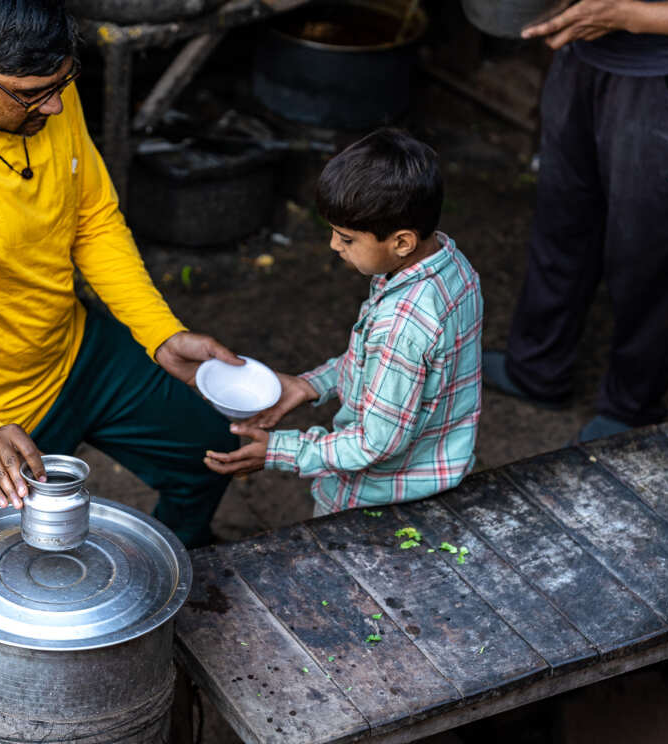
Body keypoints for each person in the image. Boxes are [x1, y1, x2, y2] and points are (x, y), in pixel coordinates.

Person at [0, 0, 240, 558]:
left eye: (64, 83)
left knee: (209, 454)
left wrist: (158, 331)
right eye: (34, 93)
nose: (57, 103)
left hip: (79, 349)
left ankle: (181, 572)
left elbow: (93, 220)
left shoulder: (46, 90)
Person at [204, 129, 483, 514]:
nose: (334, 246)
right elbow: (382, 367)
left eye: (347, 239)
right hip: (434, 467)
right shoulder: (453, 267)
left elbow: (376, 442)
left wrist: (281, 451)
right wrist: (309, 384)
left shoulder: (403, 325)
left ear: (402, 242)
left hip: (379, 498)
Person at [482, 0, 668, 442]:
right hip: (581, 58)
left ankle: (631, 407)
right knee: (560, 221)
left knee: (651, 256)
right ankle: (537, 367)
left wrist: (629, 16)